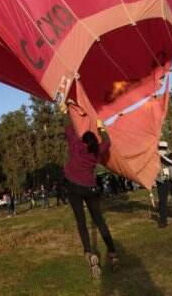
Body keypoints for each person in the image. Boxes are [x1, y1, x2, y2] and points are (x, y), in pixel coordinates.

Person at [63, 117, 118, 280]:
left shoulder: (76, 145)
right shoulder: (98, 150)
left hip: (73, 185)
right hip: (90, 187)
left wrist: (69, 112)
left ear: (83, 140)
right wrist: (100, 128)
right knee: (99, 220)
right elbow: (108, 141)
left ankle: (89, 252)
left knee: (81, 221)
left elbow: (69, 129)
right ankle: (113, 253)